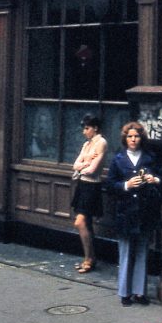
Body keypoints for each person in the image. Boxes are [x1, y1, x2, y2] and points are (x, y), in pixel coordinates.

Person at [107, 120, 162, 307]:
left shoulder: (150, 157)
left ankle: (139, 292)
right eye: (130, 136)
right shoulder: (118, 159)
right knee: (126, 252)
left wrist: (154, 179)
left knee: (142, 251)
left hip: (145, 211)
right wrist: (126, 185)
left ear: (141, 138)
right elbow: (110, 185)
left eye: (136, 136)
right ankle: (125, 292)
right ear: (125, 139)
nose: (133, 139)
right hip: (126, 212)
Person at [71, 113, 108, 274]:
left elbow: (92, 171)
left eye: (87, 128)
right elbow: (75, 165)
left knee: (79, 222)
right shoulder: (87, 144)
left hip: (92, 186)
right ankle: (89, 258)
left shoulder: (101, 143)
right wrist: (87, 162)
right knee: (87, 224)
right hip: (82, 185)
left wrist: (84, 165)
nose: (84, 132)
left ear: (95, 128)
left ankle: (89, 258)